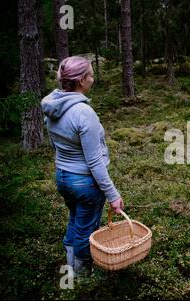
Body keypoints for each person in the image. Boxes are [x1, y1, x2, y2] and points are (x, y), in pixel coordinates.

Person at [41, 56, 124, 275]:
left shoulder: (52, 106)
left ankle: (70, 265)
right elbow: (94, 161)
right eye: (91, 74)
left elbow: (55, 144)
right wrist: (113, 195)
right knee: (86, 230)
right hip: (85, 182)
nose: (93, 78)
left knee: (76, 220)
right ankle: (81, 275)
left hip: (63, 176)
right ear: (81, 80)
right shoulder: (84, 113)